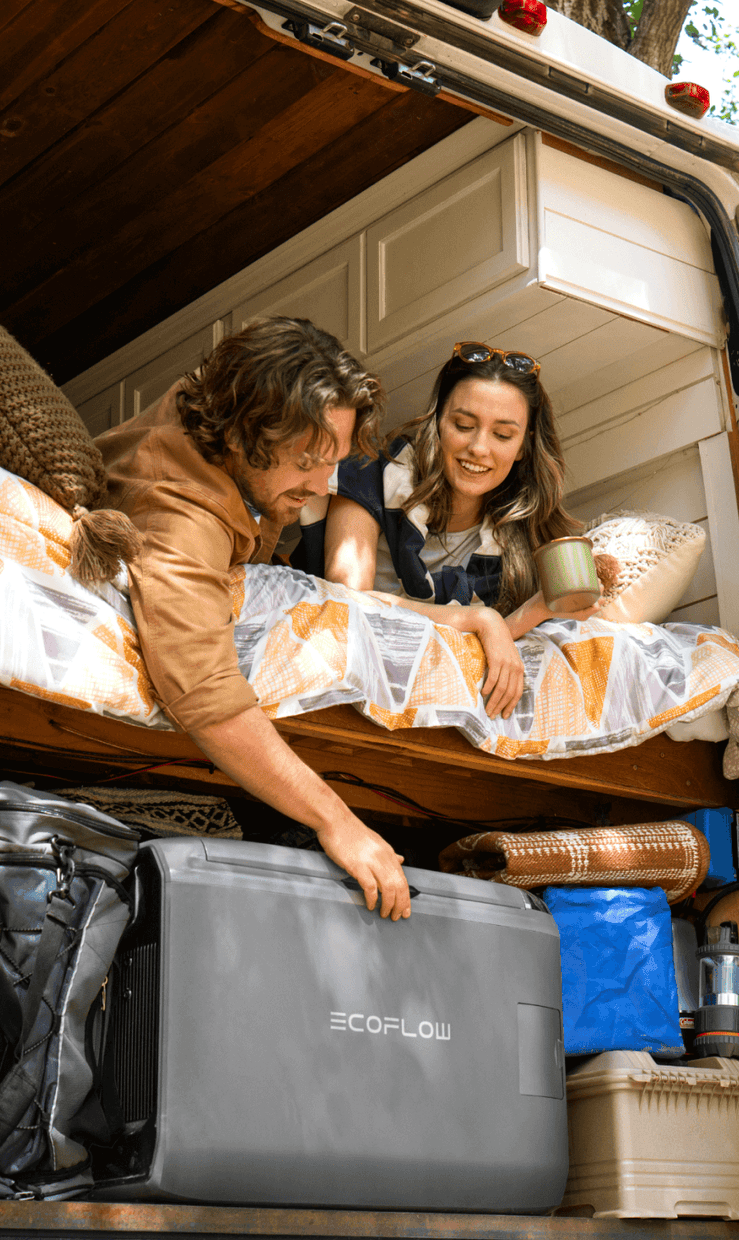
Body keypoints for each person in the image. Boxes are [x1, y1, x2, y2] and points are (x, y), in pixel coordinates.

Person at [95, 316, 412, 920]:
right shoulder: (181, 517)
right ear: (242, 435)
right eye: (308, 461)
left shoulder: (221, 412)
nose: (323, 483)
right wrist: (338, 822)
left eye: (333, 461)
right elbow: (208, 698)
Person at [294, 341, 598, 721]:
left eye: (503, 435)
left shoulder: (515, 532)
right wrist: (478, 619)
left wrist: (538, 608)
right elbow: (349, 603)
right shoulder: (372, 473)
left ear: (523, 446)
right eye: (463, 426)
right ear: (438, 421)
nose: (479, 448)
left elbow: (476, 644)